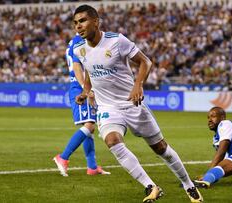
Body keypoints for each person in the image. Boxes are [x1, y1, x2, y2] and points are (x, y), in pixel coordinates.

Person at [72, 5, 203, 203]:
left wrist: (138, 85)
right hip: (108, 107)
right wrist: (85, 91)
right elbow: (90, 70)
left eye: (82, 21)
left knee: (160, 148)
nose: (78, 26)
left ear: (96, 21)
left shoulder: (116, 40)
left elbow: (145, 62)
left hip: (132, 103)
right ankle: (151, 187)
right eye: (75, 23)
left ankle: (188, 185)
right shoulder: (79, 49)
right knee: (112, 141)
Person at [53, 34, 110, 176]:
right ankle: (63, 157)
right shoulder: (81, 41)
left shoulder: (75, 40)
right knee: (89, 125)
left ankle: (92, 167)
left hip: (82, 86)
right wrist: (86, 89)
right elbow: (78, 67)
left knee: (90, 128)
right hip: (80, 88)